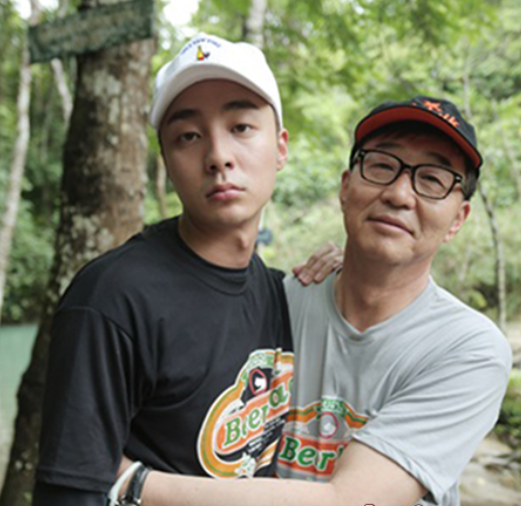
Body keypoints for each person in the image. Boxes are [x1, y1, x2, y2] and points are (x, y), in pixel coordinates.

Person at [119, 97, 512, 506]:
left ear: (458, 219)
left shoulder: (469, 350)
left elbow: (352, 502)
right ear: (345, 188)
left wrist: (132, 482)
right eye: (382, 165)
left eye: (432, 179)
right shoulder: (277, 302)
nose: (399, 194)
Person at [32, 33, 340, 506]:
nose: (218, 156)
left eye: (241, 127)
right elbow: (70, 492)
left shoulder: (278, 292)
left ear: (281, 148)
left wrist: (356, 268)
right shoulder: (114, 297)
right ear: (167, 164)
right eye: (189, 137)